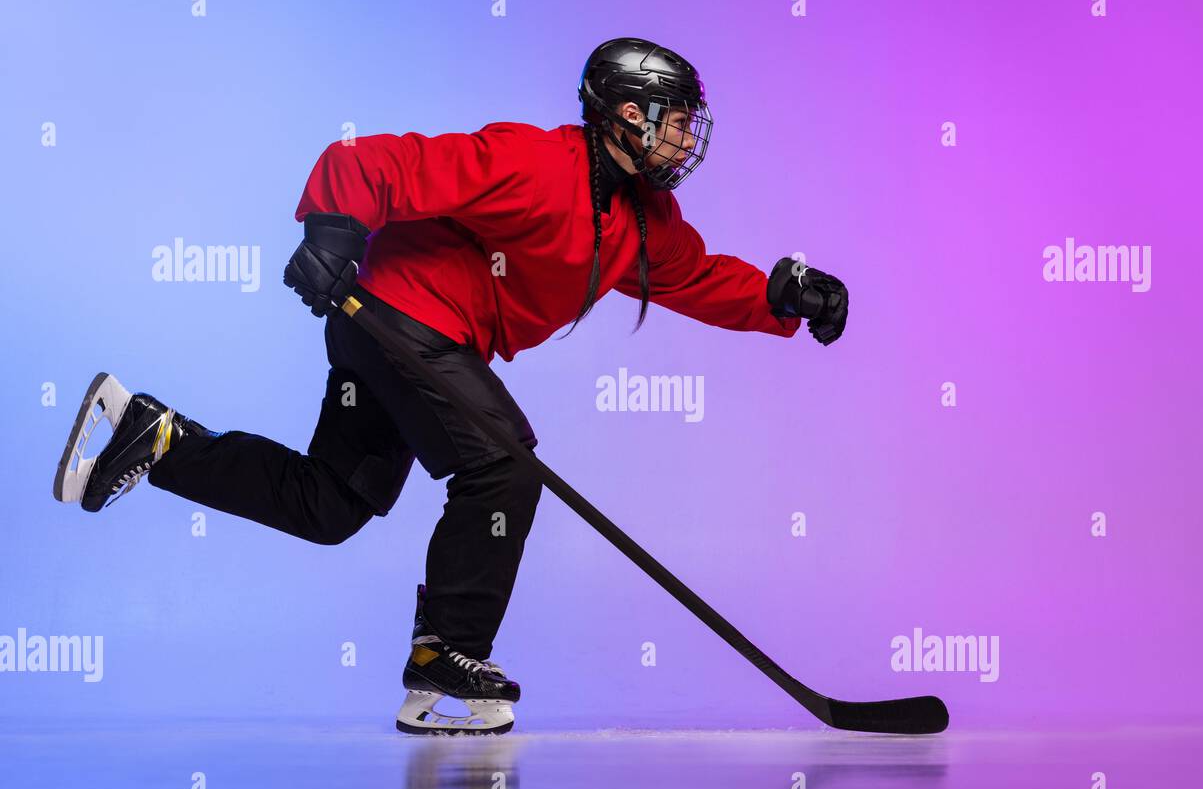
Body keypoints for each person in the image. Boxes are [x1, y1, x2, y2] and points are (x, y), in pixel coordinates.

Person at [52, 37, 849, 735]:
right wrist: (333, 228)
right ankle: (444, 656)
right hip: (397, 315)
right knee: (505, 463)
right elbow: (385, 163)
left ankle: (155, 436)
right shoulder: (536, 163)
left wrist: (782, 300)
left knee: (329, 504)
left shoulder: (644, 225)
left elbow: (701, 278)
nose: (686, 139)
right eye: (675, 119)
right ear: (628, 116)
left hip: (411, 341)